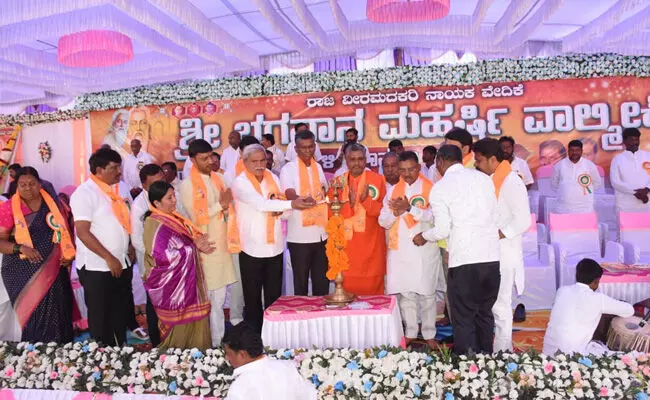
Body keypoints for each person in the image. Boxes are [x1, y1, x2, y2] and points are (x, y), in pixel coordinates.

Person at [415, 145, 500, 354]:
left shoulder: (441, 187)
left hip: (464, 261)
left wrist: (424, 236)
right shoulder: (484, 179)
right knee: (484, 314)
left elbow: (442, 230)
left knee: (463, 317)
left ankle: (467, 366)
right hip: (491, 258)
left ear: (440, 161)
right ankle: (486, 361)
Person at [232, 144, 315, 332]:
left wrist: (285, 210)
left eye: (263, 160)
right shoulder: (240, 182)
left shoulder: (273, 178)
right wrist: (291, 204)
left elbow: (282, 208)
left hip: (275, 248)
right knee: (252, 300)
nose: (260, 165)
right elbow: (260, 204)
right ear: (245, 162)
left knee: (274, 298)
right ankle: (254, 338)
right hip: (251, 249)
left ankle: (273, 337)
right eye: (255, 161)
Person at [0, 167, 74, 342]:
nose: (28, 188)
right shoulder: (8, 208)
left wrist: (68, 253)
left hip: (55, 268)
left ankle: (61, 351)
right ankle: (36, 352)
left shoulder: (54, 204)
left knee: (60, 311)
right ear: (16, 186)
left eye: (32, 183)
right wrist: (20, 248)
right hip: (21, 271)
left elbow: (66, 231)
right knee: (33, 316)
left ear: (40, 184)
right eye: (23, 185)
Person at [379, 151, 444, 349]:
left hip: (424, 247)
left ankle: (429, 333)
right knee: (406, 293)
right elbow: (383, 221)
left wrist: (409, 209)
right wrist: (395, 212)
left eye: (411, 169)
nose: (407, 174)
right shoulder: (393, 190)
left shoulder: (432, 189)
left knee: (427, 293)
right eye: (403, 170)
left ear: (419, 167)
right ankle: (410, 332)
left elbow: (435, 217)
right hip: (400, 249)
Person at [71, 147, 134, 346]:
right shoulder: (84, 193)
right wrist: (109, 258)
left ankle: (120, 350)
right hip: (97, 266)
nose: (119, 172)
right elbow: (83, 233)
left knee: (119, 312)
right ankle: (103, 354)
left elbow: (123, 222)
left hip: (121, 261)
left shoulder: (116, 189)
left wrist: (129, 246)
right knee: (101, 315)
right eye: (114, 168)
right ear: (99, 170)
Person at [142, 181, 214, 349]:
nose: (174, 200)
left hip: (186, 280)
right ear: (157, 203)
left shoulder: (173, 218)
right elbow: (163, 257)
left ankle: (197, 354)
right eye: (169, 198)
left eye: (174, 196)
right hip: (172, 285)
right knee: (178, 330)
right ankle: (175, 356)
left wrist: (196, 245)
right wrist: (193, 247)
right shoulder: (154, 223)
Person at [474, 139, 530, 352]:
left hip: (505, 252)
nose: (476, 164)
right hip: (488, 252)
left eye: (479, 160)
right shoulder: (490, 179)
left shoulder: (511, 181)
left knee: (501, 305)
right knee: (490, 303)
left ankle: (503, 351)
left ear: (492, 159)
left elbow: (523, 220)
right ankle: (492, 347)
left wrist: (497, 234)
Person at [180, 139, 237, 346]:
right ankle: (207, 344)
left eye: (211, 157)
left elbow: (229, 206)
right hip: (205, 248)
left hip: (222, 246)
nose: (209, 162)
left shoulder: (219, 178)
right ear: (192, 159)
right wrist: (220, 205)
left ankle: (218, 342)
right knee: (208, 301)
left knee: (219, 301)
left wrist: (225, 207)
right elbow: (196, 216)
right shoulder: (187, 185)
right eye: (203, 159)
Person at [543, 258, 634, 356]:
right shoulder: (598, 299)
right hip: (571, 356)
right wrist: (617, 302)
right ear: (596, 281)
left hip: (548, 351)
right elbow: (629, 311)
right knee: (628, 356)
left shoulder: (562, 291)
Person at [328, 143, 387, 295]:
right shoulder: (337, 183)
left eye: (360, 159)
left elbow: (384, 213)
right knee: (347, 297)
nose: (357, 163)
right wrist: (349, 206)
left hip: (372, 248)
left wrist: (366, 201)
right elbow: (330, 216)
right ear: (346, 160)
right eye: (352, 159)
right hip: (346, 250)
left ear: (366, 160)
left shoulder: (378, 180)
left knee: (373, 298)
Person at [280, 130, 329, 296]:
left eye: (311, 147)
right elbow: (289, 193)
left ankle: (320, 312)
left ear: (315, 146)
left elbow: (323, 190)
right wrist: (300, 200)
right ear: (296, 149)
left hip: (321, 234)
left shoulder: (318, 167)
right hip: (299, 237)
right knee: (300, 283)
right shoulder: (288, 169)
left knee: (321, 282)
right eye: (303, 147)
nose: (308, 151)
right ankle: (302, 312)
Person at [224, 322, 317, 400]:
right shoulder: (287, 367)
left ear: (242, 354)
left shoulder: (240, 386)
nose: (227, 358)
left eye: (228, 353)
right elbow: (309, 396)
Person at [130, 164, 165, 345]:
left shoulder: (169, 195)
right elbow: (137, 240)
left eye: (162, 181)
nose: (160, 186)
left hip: (171, 262)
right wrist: (158, 256)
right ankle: (156, 342)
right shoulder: (139, 206)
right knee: (154, 303)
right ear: (144, 185)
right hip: (152, 262)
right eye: (154, 184)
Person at [552, 140, 602, 214]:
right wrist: (565, 192)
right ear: (568, 151)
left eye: (577, 150)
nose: (574, 152)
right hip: (563, 208)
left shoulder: (590, 165)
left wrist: (584, 192)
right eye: (572, 150)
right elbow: (554, 184)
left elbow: (597, 183)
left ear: (581, 151)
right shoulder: (559, 165)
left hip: (585, 208)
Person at [610, 127, 650, 212]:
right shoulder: (617, 160)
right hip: (625, 205)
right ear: (624, 141)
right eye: (631, 140)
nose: (635, 143)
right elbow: (615, 182)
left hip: (647, 202)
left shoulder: (648, 156)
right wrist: (635, 192)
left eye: (637, 140)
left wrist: (647, 189)